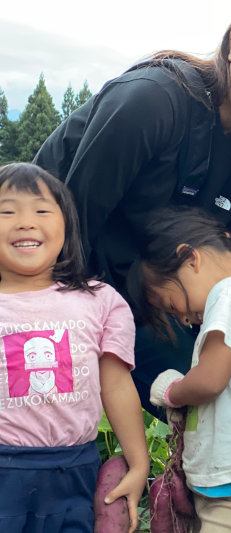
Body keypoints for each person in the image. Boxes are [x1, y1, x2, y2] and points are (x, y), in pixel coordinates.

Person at [33, 0, 231, 415]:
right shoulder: (151, 102)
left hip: (147, 291)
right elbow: (70, 228)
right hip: (56, 272)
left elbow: (230, 249)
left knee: (215, 395)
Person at [0, 163, 148, 533]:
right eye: (6, 211)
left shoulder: (99, 301)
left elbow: (116, 386)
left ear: (67, 227)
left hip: (75, 470)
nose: (24, 221)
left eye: (41, 210)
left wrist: (139, 462)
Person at [130, 206, 231, 532]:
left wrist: (172, 391)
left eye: (172, 306)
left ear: (190, 259)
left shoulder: (230, 294)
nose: (184, 319)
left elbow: (210, 381)